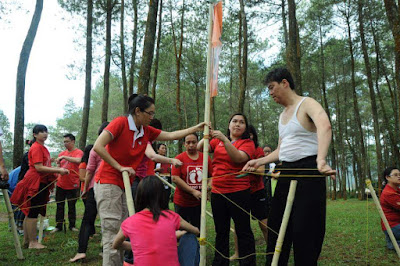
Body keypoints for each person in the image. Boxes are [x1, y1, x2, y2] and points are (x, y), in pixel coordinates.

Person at [93, 94, 205, 266]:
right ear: (137, 111)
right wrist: (120, 166)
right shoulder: (120, 123)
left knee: (121, 228)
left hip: (125, 184)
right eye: (150, 113)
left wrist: (195, 128)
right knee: (111, 232)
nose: (152, 117)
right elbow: (98, 146)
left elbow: (171, 135)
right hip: (108, 182)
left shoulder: (145, 131)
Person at [243, 67, 336, 266]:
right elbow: (281, 149)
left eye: (272, 87)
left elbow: (324, 126)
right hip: (286, 170)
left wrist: (321, 159)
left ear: (285, 83)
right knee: (277, 225)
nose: (270, 93)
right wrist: (258, 161)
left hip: (310, 169)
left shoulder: (307, 103)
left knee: (305, 228)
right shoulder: (282, 115)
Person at [198, 113, 256, 266]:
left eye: (241, 122)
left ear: (245, 127)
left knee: (243, 230)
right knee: (221, 231)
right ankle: (220, 262)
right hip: (218, 193)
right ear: (229, 124)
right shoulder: (216, 141)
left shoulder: (247, 143)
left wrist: (224, 139)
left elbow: (238, 158)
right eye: (234, 121)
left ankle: (248, 263)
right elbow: (199, 148)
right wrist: (206, 133)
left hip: (239, 192)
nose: (237, 124)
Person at [112, 176, 200, 266]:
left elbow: (116, 245)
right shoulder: (172, 217)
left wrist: (138, 246)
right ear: (162, 195)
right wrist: (182, 233)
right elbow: (196, 231)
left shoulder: (129, 222)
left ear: (139, 196)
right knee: (190, 237)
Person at [10, 125, 69, 249]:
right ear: (35, 135)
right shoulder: (36, 147)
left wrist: (53, 163)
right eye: (41, 132)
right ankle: (33, 242)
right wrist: (58, 170)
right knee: (32, 212)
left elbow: (43, 164)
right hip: (35, 182)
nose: (45, 134)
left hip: (39, 181)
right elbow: (38, 167)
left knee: (30, 212)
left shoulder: (42, 148)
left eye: (46, 131)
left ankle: (27, 241)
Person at [70, 122, 109, 263]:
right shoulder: (117, 149)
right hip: (112, 188)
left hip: (94, 187)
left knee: (87, 220)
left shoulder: (95, 149)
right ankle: (107, 251)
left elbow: (89, 172)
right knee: (109, 220)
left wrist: (85, 189)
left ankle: (81, 251)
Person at [230, 125, 268, 261]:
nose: (249, 137)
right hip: (240, 192)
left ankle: (273, 250)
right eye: (247, 134)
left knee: (264, 223)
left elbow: (262, 171)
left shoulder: (258, 150)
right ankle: (237, 252)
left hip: (257, 191)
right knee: (239, 224)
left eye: (251, 134)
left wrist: (251, 169)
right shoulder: (235, 150)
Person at [172, 133, 212, 229]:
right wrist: (193, 191)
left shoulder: (205, 158)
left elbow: (212, 176)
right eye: (188, 142)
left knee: (198, 229)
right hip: (182, 202)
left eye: (193, 142)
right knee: (181, 230)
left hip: (198, 203)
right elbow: (175, 178)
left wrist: (208, 187)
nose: (191, 145)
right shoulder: (179, 158)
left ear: (197, 143)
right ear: (184, 144)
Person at [52, 133, 83, 233]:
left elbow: (79, 160)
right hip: (61, 183)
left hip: (73, 184)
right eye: (64, 142)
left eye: (67, 141)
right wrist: (57, 163)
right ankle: (58, 225)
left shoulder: (78, 152)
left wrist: (65, 157)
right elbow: (59, 166)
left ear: (73, 142)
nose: (65, 143)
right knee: (59, 205)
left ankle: (72, 225)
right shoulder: (62, 154)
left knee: (71, 206)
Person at [380, 167, 400, 250]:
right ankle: (394, 242)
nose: (399, 177)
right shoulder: (389, 193)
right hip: (393, 226)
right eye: (395, 175)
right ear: (387, 177)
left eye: (399, 175)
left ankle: (392, 242)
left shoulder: (396, 189)